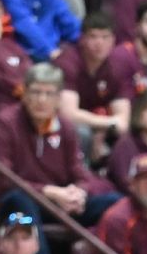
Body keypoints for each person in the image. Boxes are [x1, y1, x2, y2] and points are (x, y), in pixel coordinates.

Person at [0, 64, 119, 254]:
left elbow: (79, 171)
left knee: (115, 203)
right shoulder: (5, 123)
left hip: (60, 202)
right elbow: (4, 179)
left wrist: (79, 193)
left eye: (49, 94)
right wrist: (50, 192)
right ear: (24, 93)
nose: (41, 100)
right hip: (17, 205)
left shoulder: (65, 127)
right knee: (20, 202)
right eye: (36, 92)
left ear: (58, 99)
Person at [53, 12, 133, 158]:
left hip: (97, 123)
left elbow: (122, 121)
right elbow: (68, 114)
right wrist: (106, 124)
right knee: (82, 132)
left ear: (113, 41)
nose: (99, 43)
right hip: (62, 124)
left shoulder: (118, 66)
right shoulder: (67, 62)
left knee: (128, 138)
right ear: (82, 39)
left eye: (105, 37)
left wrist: (102, 129)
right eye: (93, 36)